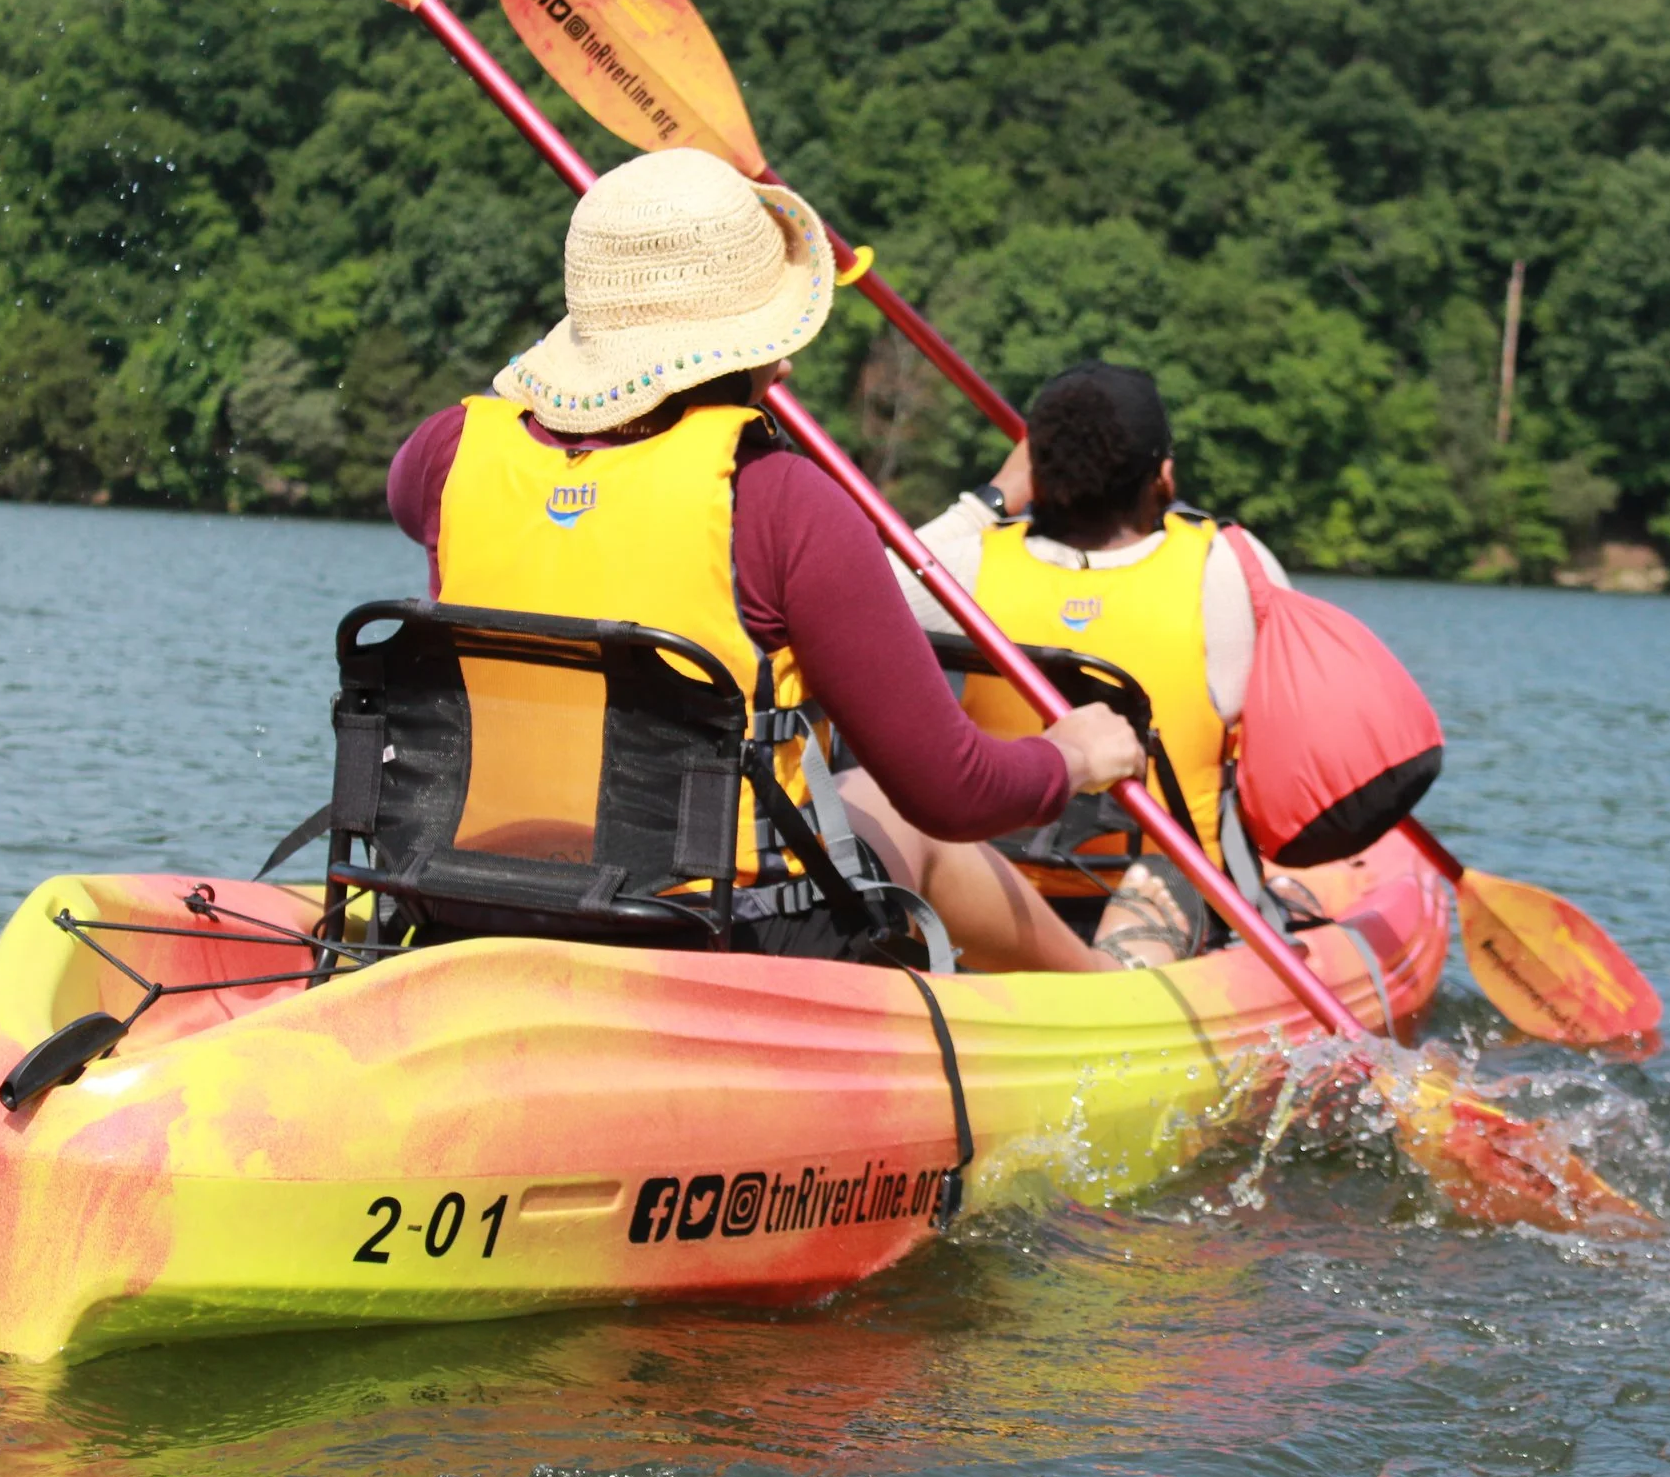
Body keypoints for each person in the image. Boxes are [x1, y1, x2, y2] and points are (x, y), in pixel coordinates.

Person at [381, 149, 1191, 972]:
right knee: (896, 814)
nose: (789, 363)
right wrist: (1076, 754)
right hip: (716, 935)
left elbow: (534, 465)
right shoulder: (783, 503)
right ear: (746, 346)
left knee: (866, 803)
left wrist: (597, 375)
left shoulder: (441, 457)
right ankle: (1105, 997)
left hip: (475, 896)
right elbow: (953, 789)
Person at [890, 363, 1300, 953]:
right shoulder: (1229, 564)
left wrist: (992, 499)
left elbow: (856, 590)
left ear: (1034, 470)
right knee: (1165, 880)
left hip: (994, 886)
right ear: (1163, 473)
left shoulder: (971, 569)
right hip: (1164, 879)